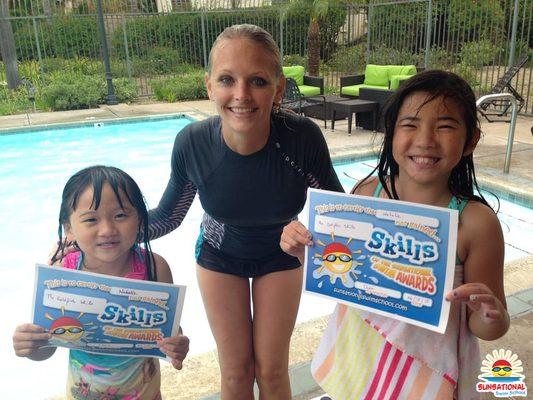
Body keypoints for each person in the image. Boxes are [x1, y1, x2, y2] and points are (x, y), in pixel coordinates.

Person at [280, 70, 510, 399]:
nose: (426, 140)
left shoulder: (475, 224)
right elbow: (344, 271)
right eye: (410, 124)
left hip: (425, 377)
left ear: (471, 139)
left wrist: (490, 314)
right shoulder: (367, 194)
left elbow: (489, 325)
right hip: (359, 362)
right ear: (391, 133)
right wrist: (305, 251)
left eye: (445, 126)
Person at [148, 24, 343, 399]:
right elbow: (168, 217)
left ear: (279, 88)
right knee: (236, 371)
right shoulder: (193, 143)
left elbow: (338, 213)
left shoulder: (301, 138)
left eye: (257, 80)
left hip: (280, 255)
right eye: (226, 79)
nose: (241, 95)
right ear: (209, 86)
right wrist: (100, 234)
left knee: (271, 371)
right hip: (219, 255)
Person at [13, 166, 190, 400]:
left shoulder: (154, 268)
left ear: (139, 219)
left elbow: (169, 331)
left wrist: (178, 345)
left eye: (120, 215)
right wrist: (30, 346)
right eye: (91, 219)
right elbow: (49, 345)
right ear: (69, 228)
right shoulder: (63, 274)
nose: (107, 230)